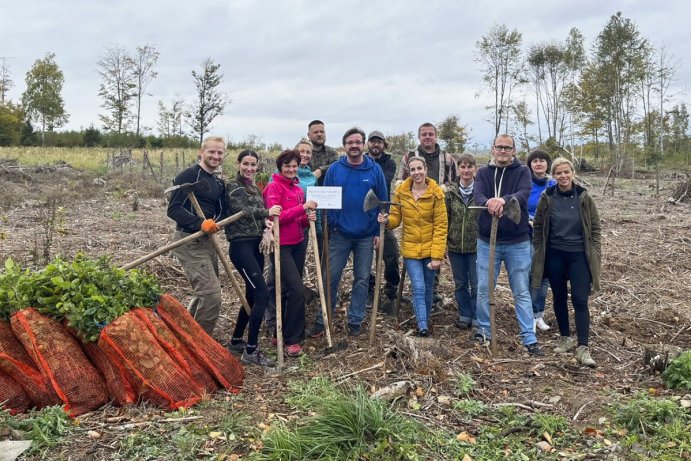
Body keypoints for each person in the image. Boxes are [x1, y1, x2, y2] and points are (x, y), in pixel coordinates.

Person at [308, 127, 388, 337]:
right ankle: (324, 317)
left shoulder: (374, 170)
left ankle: (355, 319)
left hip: (366, 235)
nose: (354, 146)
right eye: (350, 142)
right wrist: (332, 224)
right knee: (330, 277)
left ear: (363, 145)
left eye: (358, 142)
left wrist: (378, 232)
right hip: (339, 234)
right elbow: (325, 200)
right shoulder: (335, 169)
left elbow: (382, 200)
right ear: (345, 146)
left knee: (361, 278)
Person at [474, 134, 544, 356]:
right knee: (485, 289)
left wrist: (503, 200)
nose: (503, 151)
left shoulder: (523, 171)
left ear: (514, 151)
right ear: (493, 149)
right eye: (499, 147)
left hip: (518, 241)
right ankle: (484, 331)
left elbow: (523, 194)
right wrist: (489, 202)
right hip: (487, 241)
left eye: (507, 148)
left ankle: (528, 337)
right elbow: (478, 196)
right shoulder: (483, 173)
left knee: (521, 290)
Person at [531, 158, 601, 367]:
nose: (563, 176)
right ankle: (565, 337)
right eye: (558, 173)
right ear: (553, 176)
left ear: (573, 173)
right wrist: (540, 248)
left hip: (579, 254)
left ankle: (583, 346)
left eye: (566, 172)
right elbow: (538, 225)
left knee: (580, 299)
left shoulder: (583, 197)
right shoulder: (548, 197)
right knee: (559, 297)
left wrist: (595, 252)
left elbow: (595, 228)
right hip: (555, 254)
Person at [166, 136, 229, 335]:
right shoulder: (189, 175)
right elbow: (174, 209)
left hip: (207, 241)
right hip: (188, 240)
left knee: (203, 294)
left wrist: (216, 222)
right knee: (211, 296)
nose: (215, 156)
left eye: (220, 152)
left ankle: (186, 335)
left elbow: (221, 211)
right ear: (201, 152)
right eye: (211, 151)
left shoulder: (218, 182)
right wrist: (199, 223)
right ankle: (201, 344)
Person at [379, 157, 447, 336]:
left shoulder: (437, 193)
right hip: (411, 249)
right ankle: (422, 325)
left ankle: (426, 318)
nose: (417, 172)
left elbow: (441, 226)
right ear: (408, 172)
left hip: (431, 249)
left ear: (426, 170)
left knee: (428, 287)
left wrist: (437, 255)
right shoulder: (402, 191)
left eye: (419, 168)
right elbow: (396, 218)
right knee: (418, 286)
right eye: (413, 169)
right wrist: (386, 222)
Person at [225, 150, 281, 367]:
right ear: (238, 163)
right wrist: (266, 212)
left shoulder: (254, 187)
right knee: (262, 295)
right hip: (241, 247)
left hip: (255, 245)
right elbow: (241, 209)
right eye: (246, 164)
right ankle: (251, 350)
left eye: (253, 164)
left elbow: (255, 214)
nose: (249, 168)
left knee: (251, 295)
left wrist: (264, 224)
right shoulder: (233, 186)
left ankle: (236, 341)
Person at [263, 149, 317, 357]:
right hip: (281, 245)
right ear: (280, 167)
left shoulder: (297, 189)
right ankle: (292, 339)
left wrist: (307, 217)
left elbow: (297, 220)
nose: (291, 169)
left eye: (294, 166)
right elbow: (278, 217)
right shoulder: (274, 187)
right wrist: (302, 208)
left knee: (287, 289)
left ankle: (281, 332)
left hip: (297, 243)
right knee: (296, 290)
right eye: (287, 166)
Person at [397, 122, 458, 305]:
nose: (427, 137)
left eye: (430, 134)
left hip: (441, 208)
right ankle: (419, 292)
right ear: (419, 137)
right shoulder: (408, 157)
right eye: (424, 134)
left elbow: (455, 182)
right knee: (415, 250)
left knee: (437, 248)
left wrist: (442, 189)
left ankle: (432, 291)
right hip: (415, 210)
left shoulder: (448, 158)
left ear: (436, 136)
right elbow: (400, 179)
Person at [365, 130, 400, 313]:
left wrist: (363, 181)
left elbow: (381, 181)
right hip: (364, 214)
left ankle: (391, 289)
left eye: (379, 142)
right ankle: (369, 288)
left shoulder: (389, 163)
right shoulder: (361, 160)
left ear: (383, 144)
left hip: (382, 214)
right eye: (372, 141)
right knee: (364, 255)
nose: (375, 145)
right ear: (368, 144)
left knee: (391, 253)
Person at [445, 154, 479, 330]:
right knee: (460, 283)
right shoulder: (450, 192)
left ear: (475, 169)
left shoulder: (481, 191)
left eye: (469, 166)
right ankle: (464, 314)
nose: (466, 170)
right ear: (458, 169)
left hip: (476, 246)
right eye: (463, 167)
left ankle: (476, 316)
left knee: (476, 283)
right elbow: (445, 218)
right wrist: (444, 242)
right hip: (455, 245)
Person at [526, 148, 556, 332]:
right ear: (529, 164)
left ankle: (539, 315)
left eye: (542, 160)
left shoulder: (553, 184)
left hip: (548, 238)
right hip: (528, 236)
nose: (538, 163)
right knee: (531, 276)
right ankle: (527, 315)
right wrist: (529, 220)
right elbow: (519, 206)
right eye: (534, 160)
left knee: (544, 278)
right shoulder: (525, 184)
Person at [306, 120, 339, 185]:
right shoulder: (301, 152)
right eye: (316, 132)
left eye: (322, 132)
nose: (319, 134)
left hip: (328, 191)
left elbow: (337, 167)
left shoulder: (332, 152)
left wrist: (321, 170)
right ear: (308, 135)